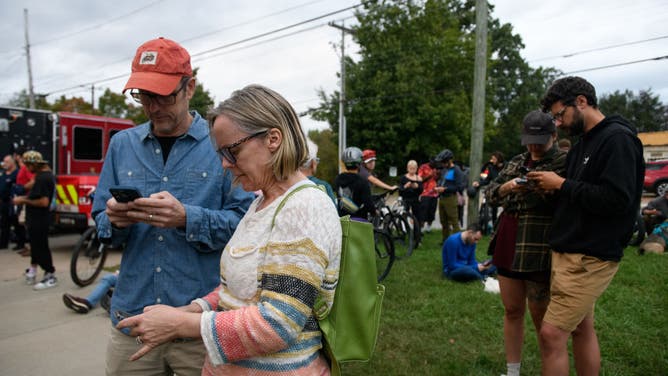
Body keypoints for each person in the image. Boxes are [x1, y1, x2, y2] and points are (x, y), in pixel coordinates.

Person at [117, 84, 342, 375]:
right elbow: (240, 289)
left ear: (273, 138)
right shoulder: (262, 202)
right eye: (221, 153)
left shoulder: (305, 207)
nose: (224, 164)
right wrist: (196, 308)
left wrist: (181, 324)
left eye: (232, 151)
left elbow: (278, 323)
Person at [93, 37, 254, 375]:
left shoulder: (220, 144)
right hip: (132, 323)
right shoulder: (122, 145)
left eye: (163, 94)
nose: (153, 106)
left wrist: (187, 218)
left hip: (199, 326)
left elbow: (246, 226)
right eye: (144, 96)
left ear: (189, 87)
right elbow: (100, 222)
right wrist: (114, 221)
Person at [528, 76, 644, 376]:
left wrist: (563, 185)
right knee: (581, 328)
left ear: (581, 102)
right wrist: (553, 190)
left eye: (559, 115)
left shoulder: (618, 139)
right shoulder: (583, 145)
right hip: (570, 249)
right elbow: (579, 194)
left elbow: (618, 199)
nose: (558, 123)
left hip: (589, 255)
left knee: (551, 334)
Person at [485, 110, 567, 376]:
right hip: (508, 239)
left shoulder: (563, 162)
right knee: (512, 310)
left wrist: (532, 192)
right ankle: (512, 371)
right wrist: (509, 188)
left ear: (553, 136)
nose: (533, 146)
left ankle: (549, 369)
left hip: (538, 245)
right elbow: (490, 194)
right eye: (529, 140)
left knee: (542, 320)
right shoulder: (517, 161)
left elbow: (561, 201)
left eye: (539, 140)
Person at [12, 151, 56, 289]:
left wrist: (22, 200)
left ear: (34, 164)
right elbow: (31, 185)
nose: (26, 168)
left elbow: (43, 202)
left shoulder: (43, 178)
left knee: (41, 246)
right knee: (35, 246)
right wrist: (24, 188)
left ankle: (50, 274)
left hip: (39, 218)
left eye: (27, 165)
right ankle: (33, 270)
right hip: (35, 218)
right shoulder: (42, 175)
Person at [434, 149, 466, 242]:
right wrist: (438, 187)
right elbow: (442, 181)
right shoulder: (444, 170)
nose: (442, 164)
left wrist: (446, 189)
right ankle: (445, 240)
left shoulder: (457, 170)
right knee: (443, 221)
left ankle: (458, 241)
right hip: (442, 198)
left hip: (451, 198)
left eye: (444, 162)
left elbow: (460, 186)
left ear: (449, 160)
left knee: (454, 221)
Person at [334, 146, 374, 219]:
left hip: (342, 220)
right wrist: (374, 212)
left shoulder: (338, 179)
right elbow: (369, 205)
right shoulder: (362, 182)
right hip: (359, 222)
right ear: (359, 163)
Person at [300, 138, 336, 205]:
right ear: (313, 163)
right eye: (316, 160)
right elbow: (334, 214)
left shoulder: (286, 186)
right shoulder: (324, 186)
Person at [12, 147, 32, 252]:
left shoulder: (25, 167)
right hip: (22, 196)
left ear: (18, 156)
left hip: (25, 197)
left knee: (25, 222)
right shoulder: (21, 167)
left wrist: (23, 188)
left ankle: (30, 247)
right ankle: (26, 245)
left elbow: (33, 180)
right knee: (22, 222)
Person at [0, 155, 19, 249]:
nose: (4, 164)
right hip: (3, 201)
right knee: (4, 223)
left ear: (12, 162)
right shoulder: (3, 173)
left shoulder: (16, 173)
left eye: (6, 162)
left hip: (12, 201)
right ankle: (3, 243)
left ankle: (20, 243)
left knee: (16, 222)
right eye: (4, 162)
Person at [418, 159, 439, 232]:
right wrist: (430, 175)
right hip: (425, 193)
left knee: (432, 211)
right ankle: (421, 228)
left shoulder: (436, 168)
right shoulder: (423, 167)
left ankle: (429, 227)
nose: (434, 165)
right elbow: (420, 180)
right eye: (433, 163)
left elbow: (437, 179)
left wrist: (438, 174)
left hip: (434, 193)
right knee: (423, 211)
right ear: (430, 162)